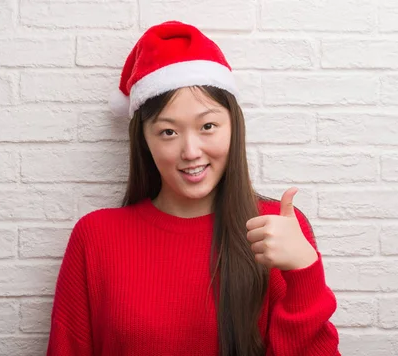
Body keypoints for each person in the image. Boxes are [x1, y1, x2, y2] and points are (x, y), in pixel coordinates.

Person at [46, 20, 340, 356]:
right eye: (168, 132)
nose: (191, 152)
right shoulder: (96, 237)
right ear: (144, 140)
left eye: (208, 126)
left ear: (234, 127)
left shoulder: (276, 228)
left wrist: (304, 270)